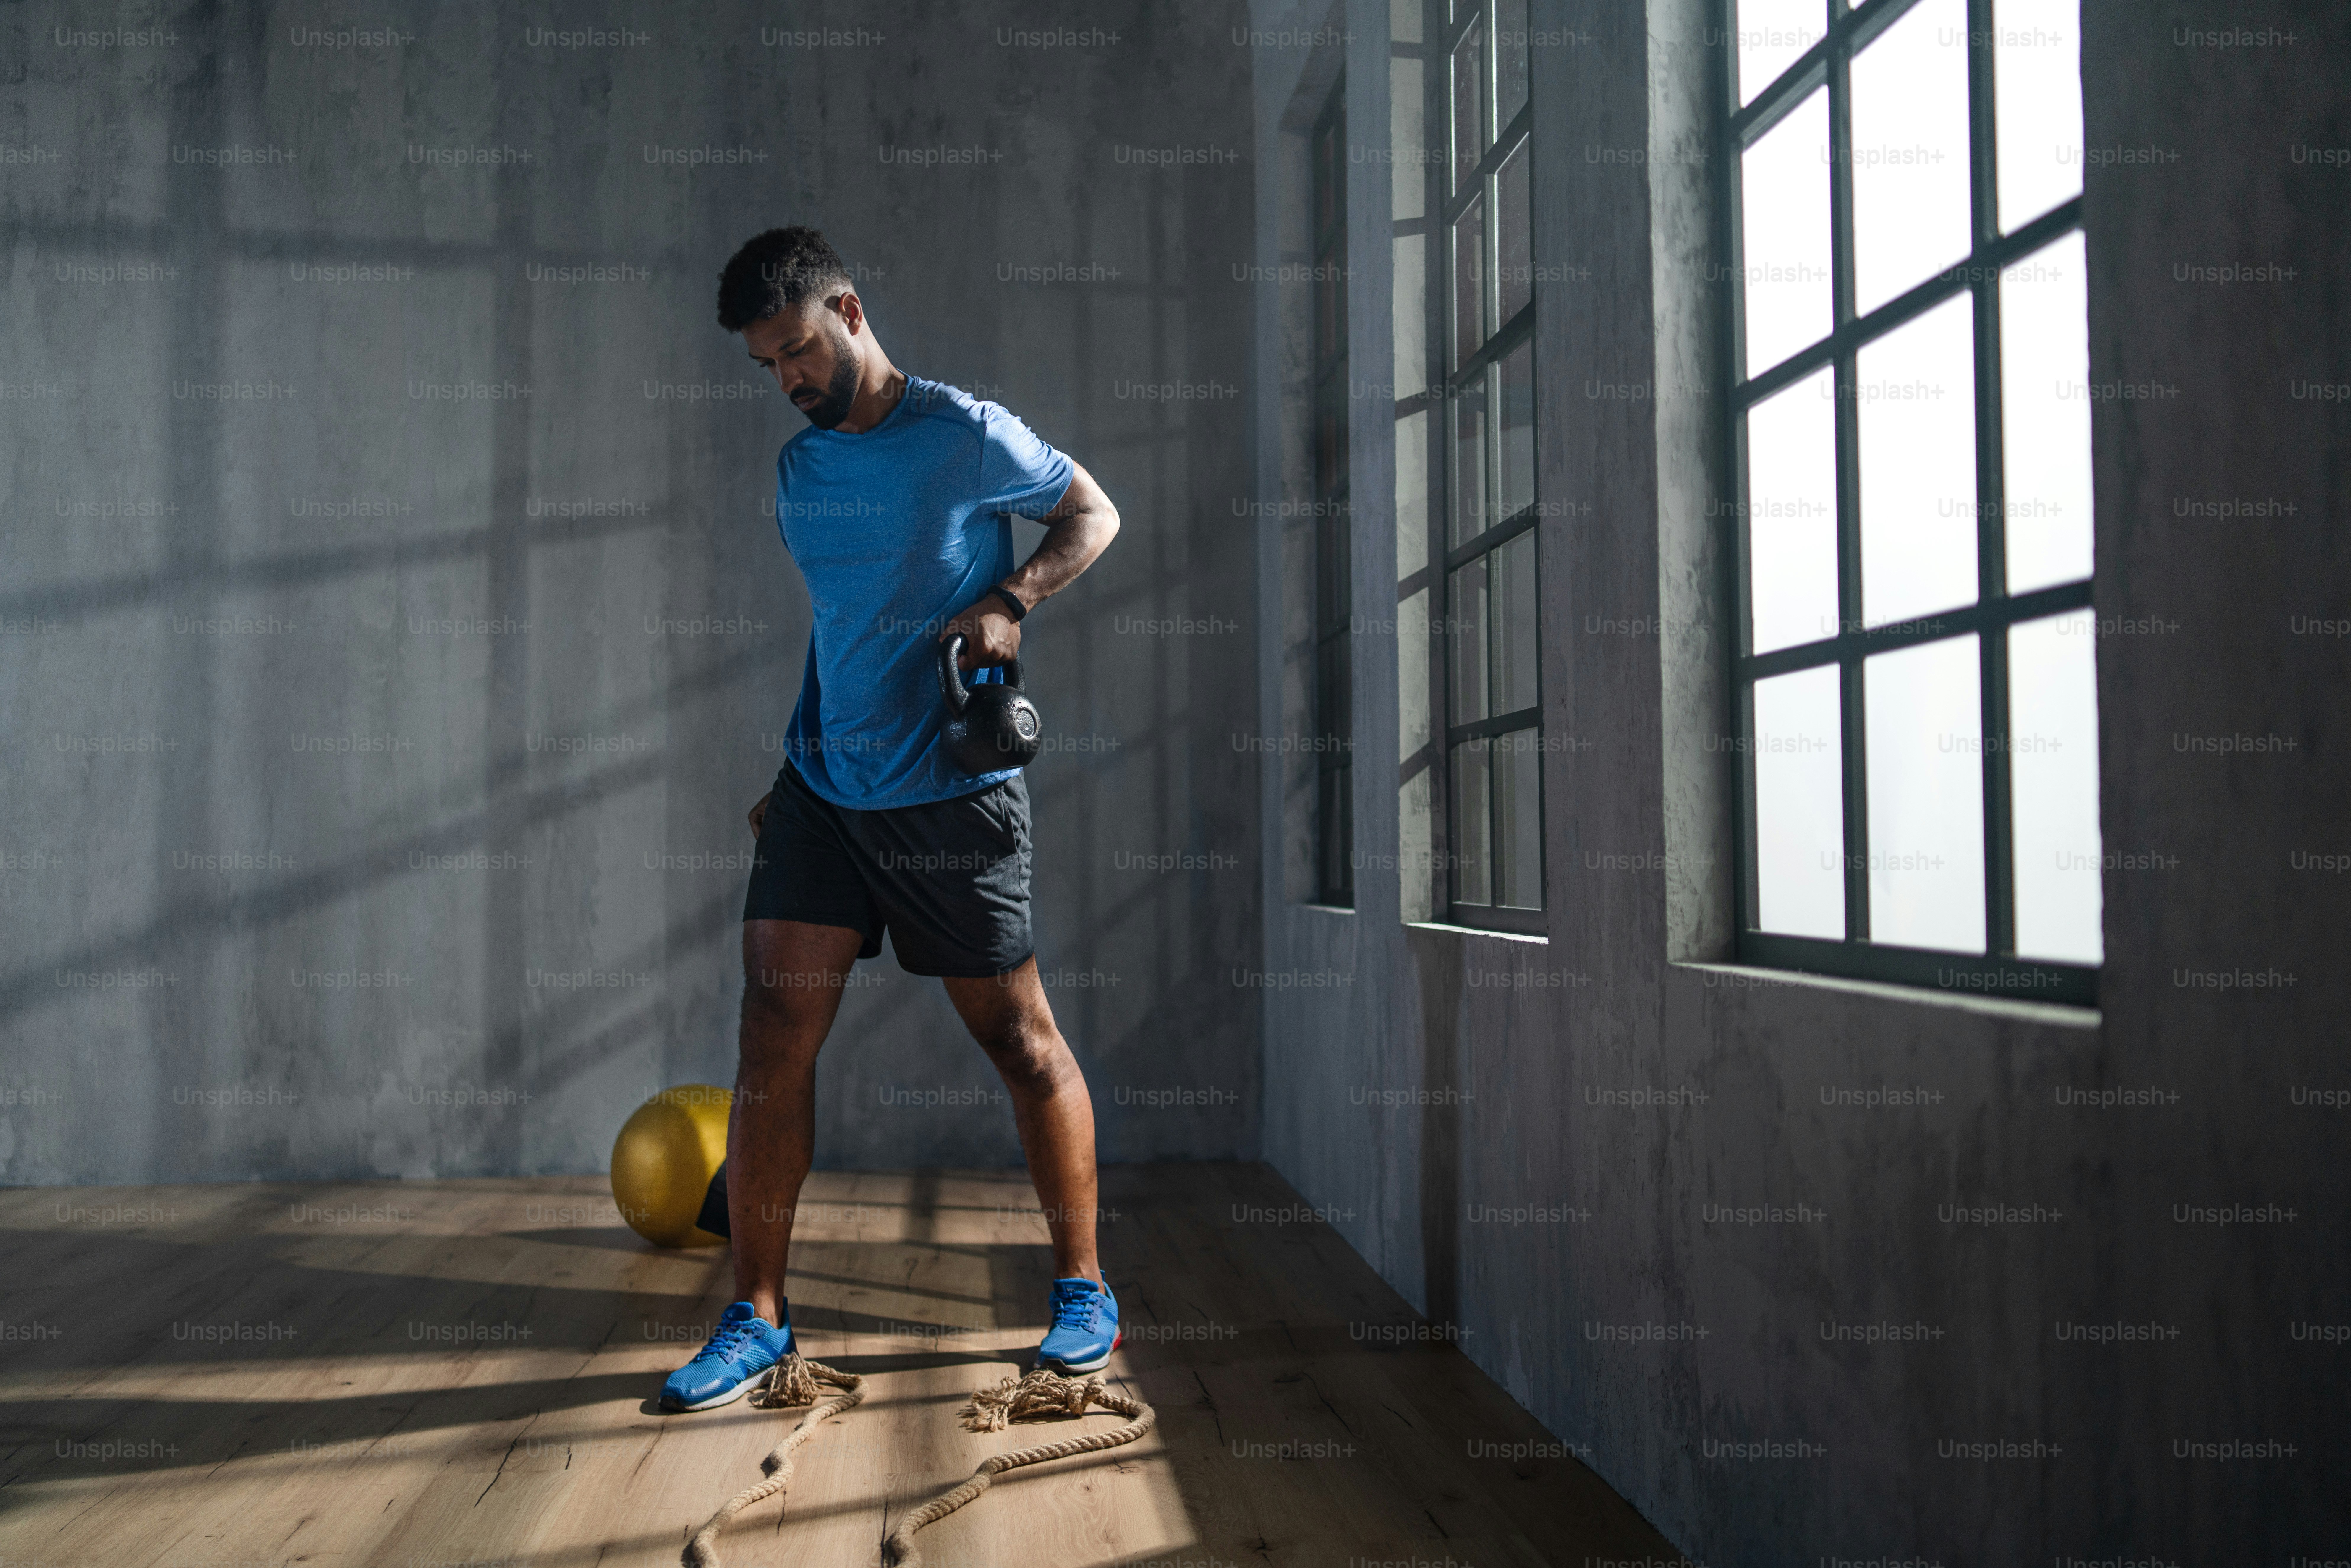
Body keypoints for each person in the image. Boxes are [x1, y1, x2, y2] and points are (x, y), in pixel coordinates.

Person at [659, 227, 1122, 1413]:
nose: (789, 382)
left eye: (799, 351)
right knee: (770, 1037)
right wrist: (792, 760)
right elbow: (841, 633)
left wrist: (1010, 597)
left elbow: (1091, 516)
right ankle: (755, 1315)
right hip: (824, 787)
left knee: (1017, 1042)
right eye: (767, 366)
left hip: (948, 798)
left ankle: (1082, 1290)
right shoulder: (800, 473)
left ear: (849, 311)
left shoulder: (964, 435)